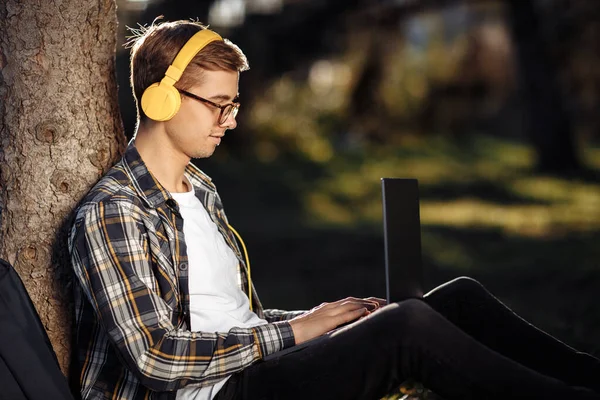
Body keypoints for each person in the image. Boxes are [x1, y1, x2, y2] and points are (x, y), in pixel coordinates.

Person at [68, 20, 600, 400]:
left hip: (253, 372)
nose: (230, 120)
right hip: (210, 395)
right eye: (217, 104)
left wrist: (318, 319)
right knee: (407, 326)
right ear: (161, 100)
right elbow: (157, 358)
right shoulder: (115, 212)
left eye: (234, 105)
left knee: (454, 298)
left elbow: (234, 321)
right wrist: (299, 332)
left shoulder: (199, 190)